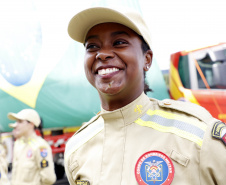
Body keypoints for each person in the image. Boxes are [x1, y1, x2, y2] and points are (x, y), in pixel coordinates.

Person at [64, 7, 226, 185]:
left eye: (119, 42)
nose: (102, 54)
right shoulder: (76, 148)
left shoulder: (198, 135)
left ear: (147, 59)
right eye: (92, 46)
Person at [8, 109, 56, 185]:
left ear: (31, 124)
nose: (16, 125)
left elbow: (49, 178)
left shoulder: (40, 146)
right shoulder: (18, 143)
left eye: (20, 122)